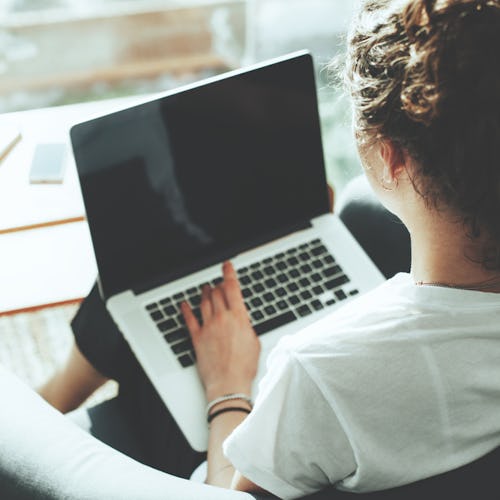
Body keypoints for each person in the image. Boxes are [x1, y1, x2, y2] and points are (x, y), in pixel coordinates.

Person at [38, 0, 500, 497]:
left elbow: (227, 493)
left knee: (148, 266)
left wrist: (228, 388)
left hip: (205, 462)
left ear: (391, 158)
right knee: (348, 214)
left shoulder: (318, 371)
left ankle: (43, 409)